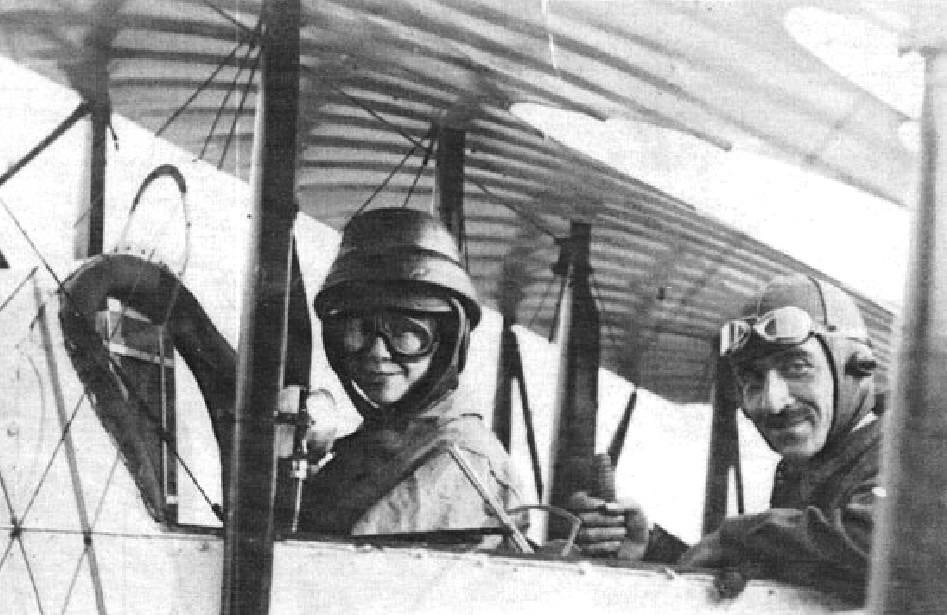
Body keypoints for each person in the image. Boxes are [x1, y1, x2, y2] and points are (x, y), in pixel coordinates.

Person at [569, 274, 881, 597]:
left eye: (797, 367)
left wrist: (737, 536)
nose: (772, 402)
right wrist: (650, 548)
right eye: (752, 380)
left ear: (853, 368)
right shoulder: (803, 469)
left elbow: (882, 544)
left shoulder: (905, 456)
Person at [298, 208, 526, 541]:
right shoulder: (382, 444)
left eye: (405, 332)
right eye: (357, 331)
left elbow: (351, 564)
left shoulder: (462, 459)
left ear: (446, 343)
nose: (377, 353)